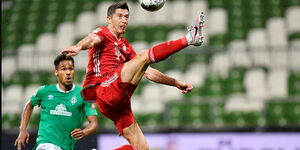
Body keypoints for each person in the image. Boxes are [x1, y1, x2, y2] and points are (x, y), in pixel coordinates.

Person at [61, 2, 204, 150]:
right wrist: (78, 47)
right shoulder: (102, 32)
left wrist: (174, 82)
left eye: (126, 17)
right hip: (103, 89)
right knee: (143, 57)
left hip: (118, 100)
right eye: (120, 16)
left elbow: (147, 72)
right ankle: (188, 39)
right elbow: (91, 40)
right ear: (109, 19)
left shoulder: (126, 47)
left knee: (141, 147)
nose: (124, 20)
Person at [14, 54, 99, 150]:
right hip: (46, 144)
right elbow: (29, 105)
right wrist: (22, 129)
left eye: (70, 69)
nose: (68, 72)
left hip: (67, 146)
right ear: (56, 72)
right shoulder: (45, 91)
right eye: (64, 69)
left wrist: (84, 132)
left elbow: (94, 124)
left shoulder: (83, 94)